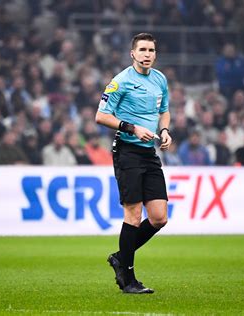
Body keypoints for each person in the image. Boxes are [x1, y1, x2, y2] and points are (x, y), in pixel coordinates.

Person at [95, 33, 172, 294]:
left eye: (151, 50)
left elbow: (164, 110)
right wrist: (132, 128)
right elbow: (101, 116)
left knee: (160, 217)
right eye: (142, 49)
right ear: (132, 53)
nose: (147, 54)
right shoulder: (121, 81)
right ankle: (128, 279)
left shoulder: (160, 79)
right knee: (134, 215)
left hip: (149, 154)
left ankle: (120, 256)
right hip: (127, 151)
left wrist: (164, 130)